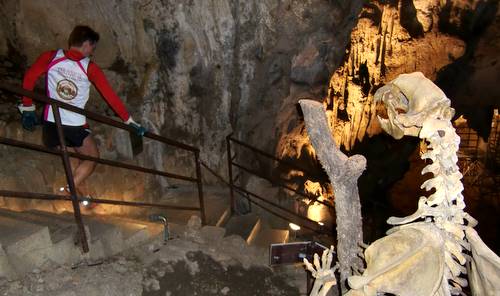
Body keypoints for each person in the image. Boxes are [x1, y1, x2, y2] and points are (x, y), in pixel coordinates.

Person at [18, 25, 146, 198]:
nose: (92, 52)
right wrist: (129, 121)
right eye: (92, 48)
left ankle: (76, 196)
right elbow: (110, 96)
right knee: (93, 157)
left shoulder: (51, 57)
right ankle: (70, 189)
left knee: (71, 157)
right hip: (74, 124)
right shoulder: (89, 67)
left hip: (51, 121)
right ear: (86, 44)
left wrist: (27, 108)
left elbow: (30, 77)